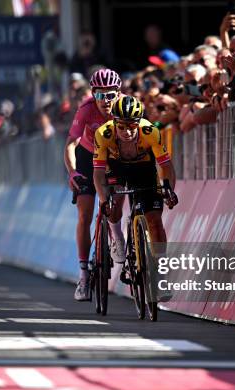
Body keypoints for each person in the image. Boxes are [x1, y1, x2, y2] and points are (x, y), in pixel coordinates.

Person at [92, 95, 178, 286]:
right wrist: (103, 198)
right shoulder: (103, 134)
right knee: (113, 209)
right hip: (116, 168)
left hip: (144, 170)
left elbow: (166, 166)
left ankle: (159, 273)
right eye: (121, 126)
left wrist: (169, 190)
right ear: (114, 122)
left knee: (155, 222)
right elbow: (98, 173)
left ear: (139, 123)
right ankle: (118, 238)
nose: (127, 131)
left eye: (132, 126)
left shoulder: (150, 131)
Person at [64, 68, 126, 301]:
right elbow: (70, 144)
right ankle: (83, 274)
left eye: (110, 95)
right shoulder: (86, 109)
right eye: (100, 95)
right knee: (85, 214)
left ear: (118, 94)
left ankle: (116, 235)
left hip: (115, 157)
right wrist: (72, 172)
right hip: (88, 157)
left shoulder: (126, 107)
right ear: (93, 94)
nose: (105, 101)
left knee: (115, 207)